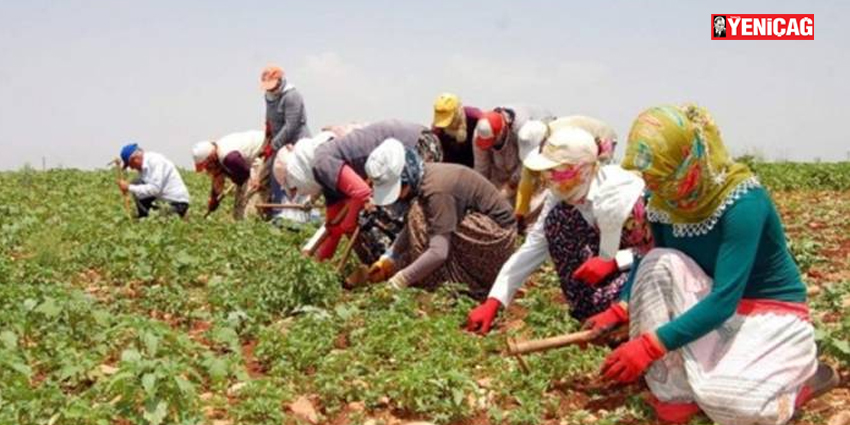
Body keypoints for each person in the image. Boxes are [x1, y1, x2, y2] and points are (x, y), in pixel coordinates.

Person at [592, 104, 835, 424]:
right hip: (712, 303)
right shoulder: (663, 201)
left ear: (688, 162)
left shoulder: (743, 203)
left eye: (661, 176)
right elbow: (654, 266)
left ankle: (801, 377)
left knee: (731, 406)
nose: (653, 186)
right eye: (649, 177)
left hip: (764, 312)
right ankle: (673, 389)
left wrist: (649, 346)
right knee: (655, 260)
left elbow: (725, 299)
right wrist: (621, 307)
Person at [466, 125, 652, 334]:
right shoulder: (562, 193)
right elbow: (535, 244)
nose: (549, 179)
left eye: (557, 172)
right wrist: (495, 300)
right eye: (547, 172)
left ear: (583, 170)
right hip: (611, 258)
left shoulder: (623, 196)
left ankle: (626, 315)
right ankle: (589, 310)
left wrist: (615, 261)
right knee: (557, 222)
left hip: (645, 267)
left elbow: (662, 252)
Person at [364, 139, 517, 298]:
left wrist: (401, 280)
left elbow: (439, 252)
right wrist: (388, 258)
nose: (398, 196)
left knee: (419, 217)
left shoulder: (436, 191)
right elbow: (410, 229)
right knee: (419, 218)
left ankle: (459, 283)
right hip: (486, 234)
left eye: (398, 189)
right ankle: (431, 274)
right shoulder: (425, 176)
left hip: (497, 241)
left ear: (407, 177)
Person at [307, 120, 442, 261]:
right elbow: (332, 229)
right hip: (410, 142)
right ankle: (391, 262)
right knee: (374, 215)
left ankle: (401, 264)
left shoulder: (322, 164)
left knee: (380, 217)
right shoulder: (329, 181)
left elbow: (362, 192)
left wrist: (349, 222)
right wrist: (319, 265)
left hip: (417, 145)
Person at [514, 115, 619, 230]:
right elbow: (526, 181)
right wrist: (520, 213)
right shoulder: (548, 144)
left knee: (582, 185)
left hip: (602, 139)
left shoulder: (560, 140)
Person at [472, 104, 554, 222]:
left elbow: (527, 162)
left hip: (523, 169)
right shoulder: (479, 135)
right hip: (498, 171)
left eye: (492, 141)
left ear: (501, 131)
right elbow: (481, 168)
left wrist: (511, 185)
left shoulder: (522, 129)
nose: (490, 146)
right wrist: (480, 196)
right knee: (496, 212)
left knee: (528, 210)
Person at [260, 64, 312, 223]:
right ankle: (279, 214)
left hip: (296, 142)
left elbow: (292, 125)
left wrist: (274, 145)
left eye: (272, 85)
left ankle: (300, 218)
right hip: (279, 144)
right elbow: (270, 120)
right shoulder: (268, 96)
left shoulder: (291, 96)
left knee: (297, 179)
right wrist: (268, 138)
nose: (270, 89)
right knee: (277, 179)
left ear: (280, 80)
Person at [192, 130, 265, 220]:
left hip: (263, 152)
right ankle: (240, 220)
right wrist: (214, 199)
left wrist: (229, 176)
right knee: (239, 209)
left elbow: (244, 177)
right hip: (246, 166)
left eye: (207, 166)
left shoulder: (229, 158)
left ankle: (254, 219)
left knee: (250, 198)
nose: (207, 170)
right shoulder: (219, 156)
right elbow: (218, 180)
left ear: (211, 158)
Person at [117, 143, 190, 218]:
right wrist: (130, 188)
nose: (132, 168)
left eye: (131, 165)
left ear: (135, 159)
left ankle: (182, 213)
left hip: (177, 203)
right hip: (162, 202)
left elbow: (155, 189)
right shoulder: (143, 169)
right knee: (137, 182)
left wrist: (129, 187)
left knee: (160, 220)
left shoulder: (156, 161)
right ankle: (145, 217)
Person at [430, 93, 482, 168]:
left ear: (457, 113)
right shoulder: (437, 130)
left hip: (479, 166)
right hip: (452, 171)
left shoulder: (476, 118)